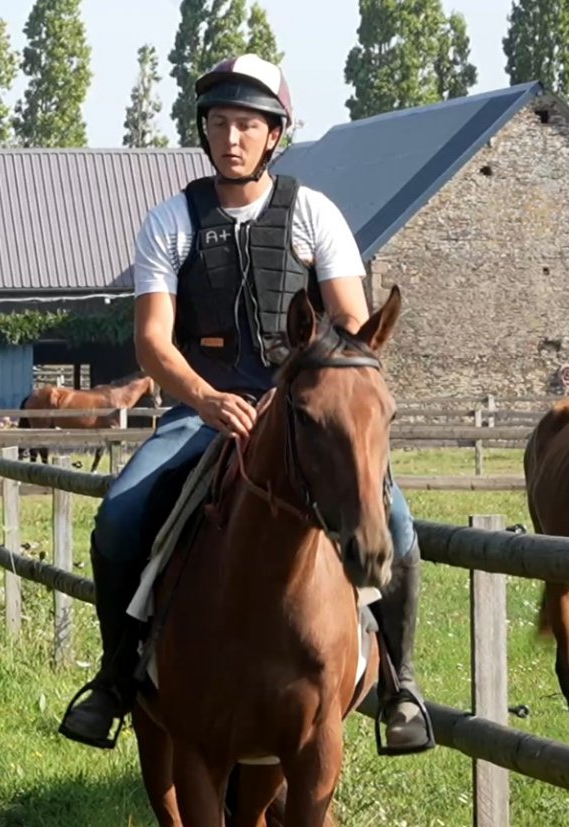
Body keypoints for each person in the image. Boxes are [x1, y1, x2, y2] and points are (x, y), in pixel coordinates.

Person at [56, 55, 432, 754]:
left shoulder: (314, 213)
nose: (232, 138)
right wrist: (205, 399)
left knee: (398, 524)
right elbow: (152, 341)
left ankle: (400, 687)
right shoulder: (170, 221)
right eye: (221, 123)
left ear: (274, 135)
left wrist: (319, 384)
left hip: (301, 417)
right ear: (205, 130)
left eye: (248, 125)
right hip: (200, 415)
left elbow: (352, 319)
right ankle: (115, 678)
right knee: (119, 517)